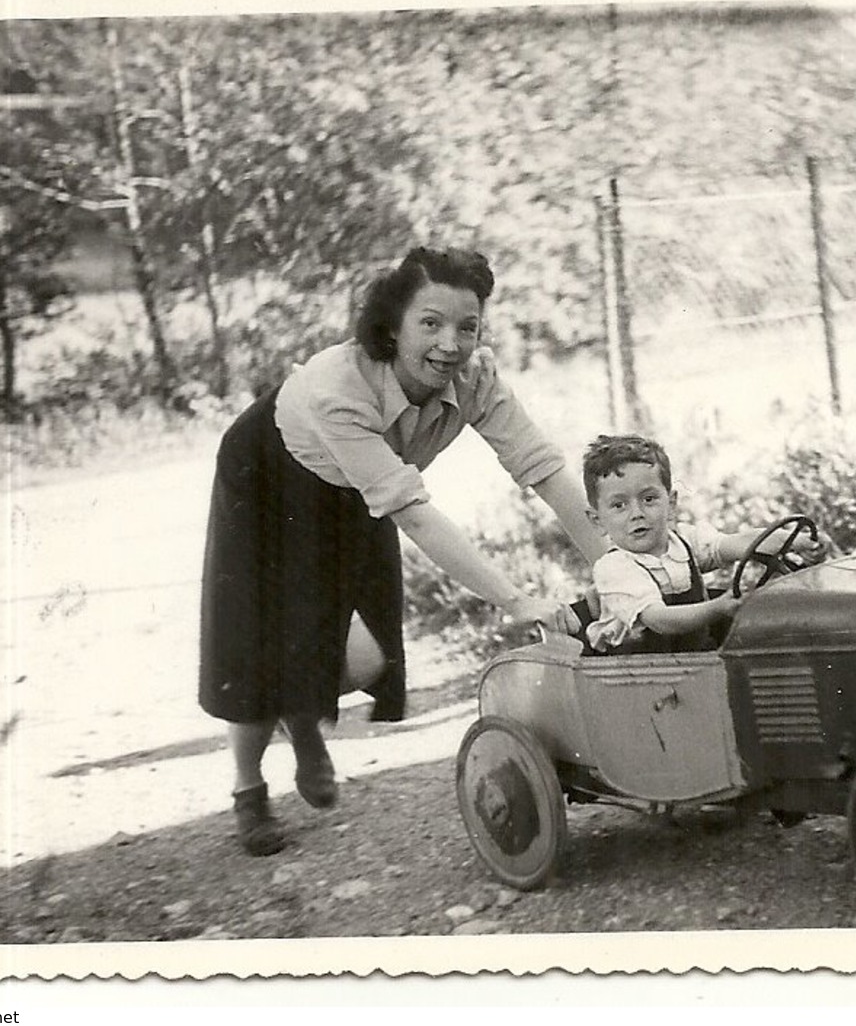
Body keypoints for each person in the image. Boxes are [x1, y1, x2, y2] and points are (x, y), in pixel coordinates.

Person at [199, 246, 609, 856]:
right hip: (270, 477)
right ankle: (249, 789)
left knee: (369, 660)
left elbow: (541, 467)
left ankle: (304, 715)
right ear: (392, 327)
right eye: (431, 323)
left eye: (467, 326)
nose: (451, 343)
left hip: (360, 486)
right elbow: (413, 514)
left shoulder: (476, 379)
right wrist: (515, 600)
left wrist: (616, 564)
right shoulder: (338, 390)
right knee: (257, 646)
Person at [580, 433, 824, 654]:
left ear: (672, 503)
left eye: (649, 499)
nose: (637, 513)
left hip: (693, 662)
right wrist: (718, 607)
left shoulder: (683, 540)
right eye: (619, 505)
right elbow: (658, 619)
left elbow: (736, 544)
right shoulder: (615, 568)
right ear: (597, 520)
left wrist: (796, 542)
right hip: (640, 677)